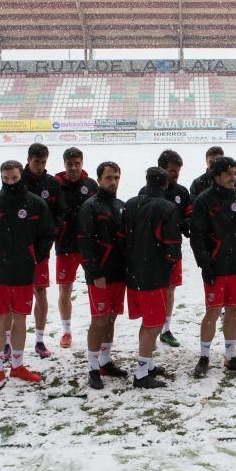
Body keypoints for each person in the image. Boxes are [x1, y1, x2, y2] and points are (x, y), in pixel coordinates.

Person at [0, 160, 55, 391]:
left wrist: (35, 256)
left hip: (23, 272)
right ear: (1, 177)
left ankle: (18, 366)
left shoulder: (35, 204)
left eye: (14, 178)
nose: (10, 182)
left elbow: (48, 234)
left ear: (21, 176)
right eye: (5, 178)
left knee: (20, 319)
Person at [190, 156, 236, 377]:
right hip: (216, 267)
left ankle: (230, 357)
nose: (233, 177)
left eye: (235, 173)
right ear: (217, 176)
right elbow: (197, 237)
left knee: (233, 310)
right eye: (229, 173)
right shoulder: (203, 200)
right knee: (212, 311)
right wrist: (205, 264)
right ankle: (204, 357)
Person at [123, 167, 182, 388]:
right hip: (154, 274)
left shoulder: (130, 203)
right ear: (166, 185)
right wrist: (170, 264)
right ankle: (140, 374)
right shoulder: (167, 207)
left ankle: (146, 365)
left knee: (148, 323)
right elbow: (172, 245)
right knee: (154, 323)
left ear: (147, 181)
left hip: (133, 271)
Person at [78, 162, 130, 390]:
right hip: (100, 275)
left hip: (119, 273)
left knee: (111, 317)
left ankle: (105, 360)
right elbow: (85, 242)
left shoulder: (120, 205)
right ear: (99, 180)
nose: (113, 182)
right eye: (108, 177)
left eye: (116, 177)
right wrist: (94, 272)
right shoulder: (90, 207)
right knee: (99, 320)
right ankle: (92, 367)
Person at [140, 149, 192, 348]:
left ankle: (166, 329)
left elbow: (190, 215)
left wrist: (186, 225)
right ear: (161, 169)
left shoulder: (181, 192)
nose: (176, 174)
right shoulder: (145, 192)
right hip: (152, 252)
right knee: (155, 290)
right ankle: (150, 325)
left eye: (178, 170)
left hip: (173, 250)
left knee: (170, 289)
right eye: (172, 170)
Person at [20, 143, 67, 359]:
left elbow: (60, 213)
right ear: (28, 160)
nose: (40, 166)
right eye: (36, 162)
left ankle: (39, 340)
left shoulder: (51, 183)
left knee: (40, 291)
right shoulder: (17, 179)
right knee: (17, 295)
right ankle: (10, 342)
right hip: (17, 248)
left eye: (43, 162)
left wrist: (51, 234)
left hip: (41, 249)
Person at [53, 147, 98, 349]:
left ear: (82, 163)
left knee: (95, 287)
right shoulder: (55, 185)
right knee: (65, 288)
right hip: (65, 245)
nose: (73, 168)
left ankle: (96, 324)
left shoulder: (91, 184)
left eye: (77, 164)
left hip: (88, 246)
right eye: (70, 164)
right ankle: (66, 331)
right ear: (64, 165)